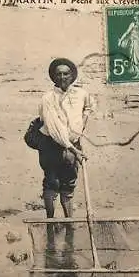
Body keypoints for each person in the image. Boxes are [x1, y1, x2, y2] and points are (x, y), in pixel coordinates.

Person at [37, 58, 93, 221]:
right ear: (54, 77)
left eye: (66, 74)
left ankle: (69, 223)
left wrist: (81, 130)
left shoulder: (81, 94)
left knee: (68, 185)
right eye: (59, 74)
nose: (62, 77)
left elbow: (89, 107)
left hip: (73, 146)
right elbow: (55, 129)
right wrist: (74, 150)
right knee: (52, 184)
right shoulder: (47, 98)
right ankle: (50, 221)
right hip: (51, 146)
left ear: (72, 76)